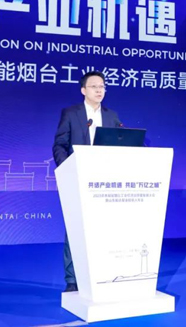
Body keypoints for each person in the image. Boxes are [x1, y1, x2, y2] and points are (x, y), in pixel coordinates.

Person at [52, 70, 122, 292]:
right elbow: (59, 145)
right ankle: (72, 279)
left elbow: (121, 142)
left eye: (102, 86)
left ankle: (102, 274)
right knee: (75, 229)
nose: (99, 90)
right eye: (94, 86)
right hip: (78, 178)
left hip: (104, 181)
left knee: (103, 228)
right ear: (83, 90)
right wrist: (67, 169)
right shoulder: (71, 113)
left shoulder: (112, 116)